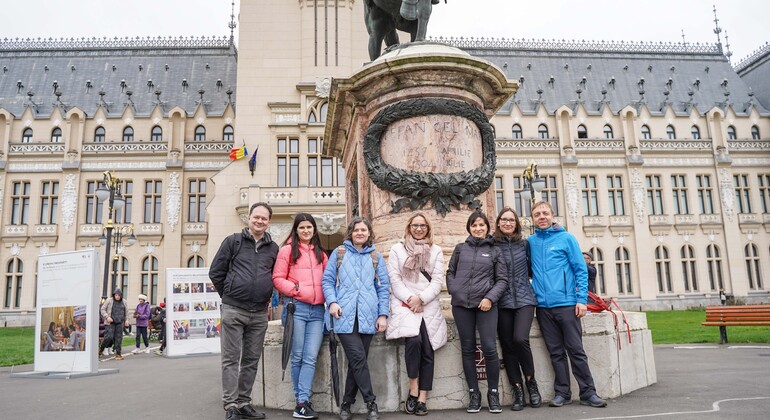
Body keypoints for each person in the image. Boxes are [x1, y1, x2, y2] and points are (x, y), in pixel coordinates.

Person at [527, 201, 607, 408]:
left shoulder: (567, 238)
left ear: (553, 215)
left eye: (545, 213)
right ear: (533, 219)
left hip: (567, 305)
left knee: (576, 350)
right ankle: (562, 392)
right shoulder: (531, 242)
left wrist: (581, 300)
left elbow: (580, 270)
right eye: (537, 214)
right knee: (555, 352)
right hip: (543, 307)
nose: (541, 217)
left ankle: (588, 392)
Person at [210, 202, 279, 420]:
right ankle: (231, 405)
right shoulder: (233, 241)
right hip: (233, 309)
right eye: (256, 217)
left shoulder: (273, 248)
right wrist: (229, 294)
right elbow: (216, 272)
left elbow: (275, 276)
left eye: (264, 218)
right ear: (249, 218)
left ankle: (244, 402)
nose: (259, 221)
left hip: (259, 313)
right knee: (231, 359)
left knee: (250, 360)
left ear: (268, 222)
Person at [322, 217, 390, 420]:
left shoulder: (376, 256)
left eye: (364, 230)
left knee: (356, 362)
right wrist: (332, 302)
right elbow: (327, 280)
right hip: (343, 315)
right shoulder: (339, 253)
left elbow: (384, 287)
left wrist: (383, 314)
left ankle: (346, 404)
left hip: (368, 316)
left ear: (369, 233)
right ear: (350, 232)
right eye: (356, 230)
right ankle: (371, 402)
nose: (360, 233)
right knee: (359, 358)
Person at [446, 211, 508, 414]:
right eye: (474, 225)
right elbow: (450, 272)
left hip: (486, 306)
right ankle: (474, 394)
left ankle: (492, 393)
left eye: (482, 225)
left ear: (487, 227)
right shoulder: (460, 249)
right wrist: (455, 290)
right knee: (467, 348)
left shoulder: (494, 251)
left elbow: (502, 280)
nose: (478, 228)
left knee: (489, 348)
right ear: (469, 228)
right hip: (462, 306)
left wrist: (490, 298)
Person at [385, 213, 447, 416]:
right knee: (414, 342)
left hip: (427, 304)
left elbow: (437, 281)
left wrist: (422, 299)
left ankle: (422, 398)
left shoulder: (436, 250)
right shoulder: (397, 248)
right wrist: (412, 299)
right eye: (415, 225)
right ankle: (413, 387)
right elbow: (394, 279)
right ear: (409, 227)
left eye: (423, 225)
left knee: (428, 350)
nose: (419, 229)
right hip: (406, 303)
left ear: (428, 228)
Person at [272, 213, 329, 419]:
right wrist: (296, 289)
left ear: (314, 230)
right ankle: (302, 401)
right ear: (296, 230)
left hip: (317, 311)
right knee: (297, 356)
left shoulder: (321, 254)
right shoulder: (287, 250)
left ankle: (301, 402)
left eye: (309, 227)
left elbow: (328, 280)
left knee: (310, 357)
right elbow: (277, 278)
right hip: (296, 308)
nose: (306, 231)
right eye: (302, 227)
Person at [493, 207, 541, 411]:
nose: (507, 223)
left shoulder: (524, 244)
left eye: (511, 220)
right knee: (508, 346)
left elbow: (533, 268)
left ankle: (531, 383)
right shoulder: (493, 245)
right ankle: (517, 390)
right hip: (502, 301)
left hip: (524, 299)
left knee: (521, 339)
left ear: (516, 223)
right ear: (498, 223)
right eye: (504, 220)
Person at [99, 288, 129, 360]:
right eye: (116, 295)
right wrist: (107, 317)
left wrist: (126, 320)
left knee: (119, 338)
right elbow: (102, 309)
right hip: (110, 322)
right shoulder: (109, 300)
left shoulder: (124, 302)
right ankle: (100, 350)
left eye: (119, 295)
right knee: (108, 337)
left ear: (121, 295)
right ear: (114, 295)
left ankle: (118, 354)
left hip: (120, 322)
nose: (117, 296)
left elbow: (126, 312)